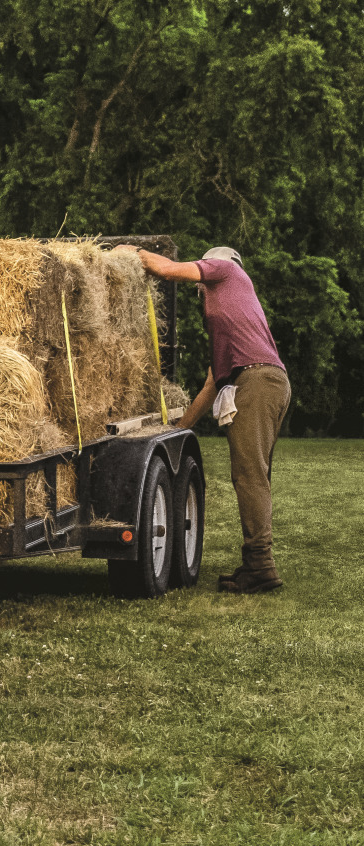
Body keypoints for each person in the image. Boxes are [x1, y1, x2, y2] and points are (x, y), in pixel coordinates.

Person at [116, 243, 290, 592]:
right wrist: (177, 431)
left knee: (249, 476)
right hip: (265, 382)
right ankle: (255, 562)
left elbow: (166, 269)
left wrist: (128, 253)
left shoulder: (227, 271)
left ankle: (261, 566)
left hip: (257, 382)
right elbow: (212, 383)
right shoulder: (231, 313)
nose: (199, 286)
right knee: (253, 476)